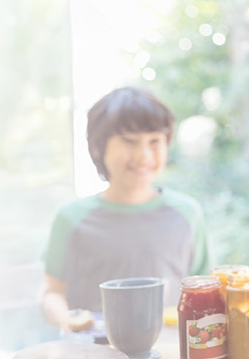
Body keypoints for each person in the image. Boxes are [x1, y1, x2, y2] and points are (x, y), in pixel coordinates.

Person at [40, 86, 210, 332]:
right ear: (98, 147)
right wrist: (66, 319)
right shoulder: (71, 219)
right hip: (94, 351)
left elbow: (206, 290)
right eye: (129, 142)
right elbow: (52, 293)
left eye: (154, 141)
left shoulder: (188, 213)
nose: (143, 155)